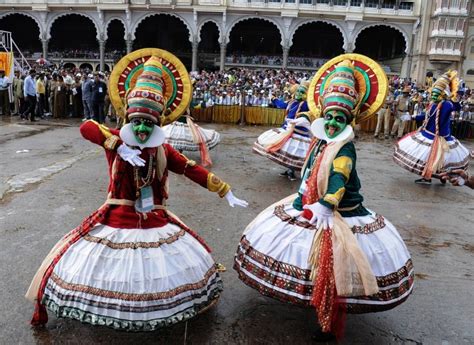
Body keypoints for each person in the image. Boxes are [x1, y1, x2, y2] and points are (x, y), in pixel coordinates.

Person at [26, 54, 248, 331]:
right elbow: (87, 126)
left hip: (154, 217)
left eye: (149, 123)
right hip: (117, 216)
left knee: (155, 273)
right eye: (138, 121)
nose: (142, 128)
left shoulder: (162, 149)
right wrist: (118, 146)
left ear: (157, 124)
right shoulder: (117, 139)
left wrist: (224, 190)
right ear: (129, 118)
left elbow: (191, 168)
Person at [234, 56, 414, 340]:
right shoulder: (322, 140)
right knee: (312, 265)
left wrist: (327, 203)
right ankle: (316, 306)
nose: (331, 122)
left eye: (338, 119)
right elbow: (310, 172)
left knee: (331, 272)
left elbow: (340, 178)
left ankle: (327, 324)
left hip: (337, 212)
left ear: (348, 122)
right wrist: (304, 200)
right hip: (312, 205)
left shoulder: (344, 148)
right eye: (328, 116)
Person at [394, 70, 470, 185]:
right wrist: (413, 117)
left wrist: (455, 96)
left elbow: (456, 107)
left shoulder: (446, 104)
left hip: (439, 136)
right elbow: (427, 116)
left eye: (436, 92)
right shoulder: (434, 104)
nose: (433, 95)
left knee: (435, 158)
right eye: (433, 92)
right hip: (430, 133)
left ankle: (430, 177)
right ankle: (441, 176)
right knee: (438, 159)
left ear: (442, 93)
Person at [253, 82, 312, 181]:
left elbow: (312, 113)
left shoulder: (306, 104)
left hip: (298, 132)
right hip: (286, 129)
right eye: (298, 91)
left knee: (294, 152)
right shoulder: (292, 102)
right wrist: (274, 99)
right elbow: (282, 105)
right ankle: (289, 170)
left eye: (302, 92)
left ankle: (291, 172)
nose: (298, 94)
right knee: (284, 150)